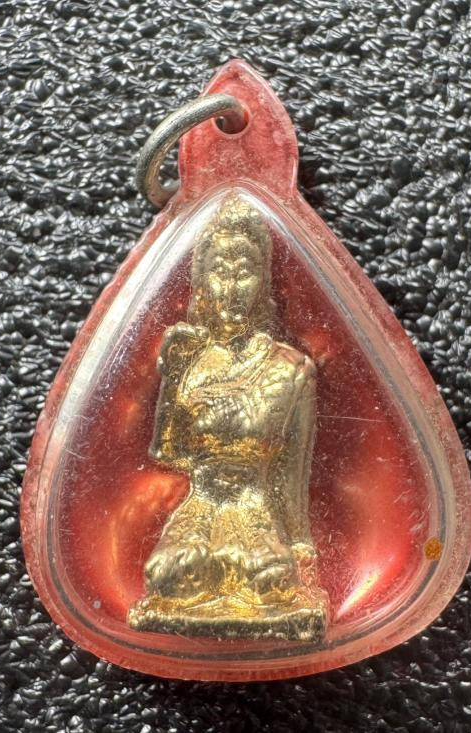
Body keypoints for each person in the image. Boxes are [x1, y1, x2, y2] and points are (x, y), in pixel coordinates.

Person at [128, 195, 327, 641]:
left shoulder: (291, 368)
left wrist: (300, 544)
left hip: (254, 507)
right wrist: (173, 377)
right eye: (220, 272)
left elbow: (293, 469)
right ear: (202, 283)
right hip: (202, 504)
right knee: (168, 575)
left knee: (268, 579)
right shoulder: (192, 357)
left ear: (263, 280)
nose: (232, 287)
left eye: (244, 272)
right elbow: (169, 453)